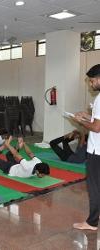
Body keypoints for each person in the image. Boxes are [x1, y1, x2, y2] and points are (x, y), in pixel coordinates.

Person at [73, 64, 100, 231]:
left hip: (96, 151)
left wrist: (80, 121)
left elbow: (97, 128)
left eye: (91, 81)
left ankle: (92, 222)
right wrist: (88, 117)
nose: (91, 85)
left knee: (94, 186)